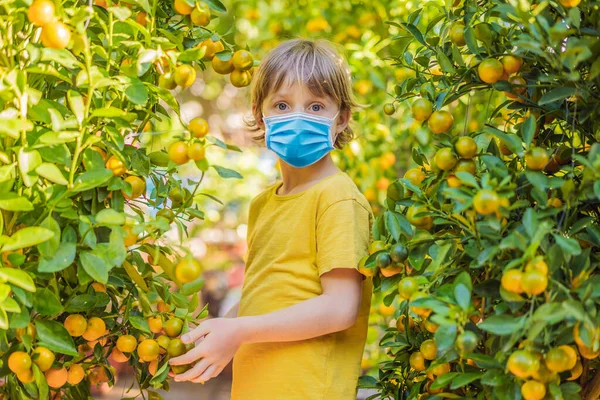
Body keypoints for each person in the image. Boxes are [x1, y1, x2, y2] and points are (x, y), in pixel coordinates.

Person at [169, 38, 374, 400]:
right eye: (282, 104)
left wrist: (240, 331)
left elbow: (340, 308)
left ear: (341, 118)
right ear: (260, 114)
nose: (298, 118)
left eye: (315, 106)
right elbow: (265, 294)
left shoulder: (337, 199)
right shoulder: (264, 203)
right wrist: (218, 330)